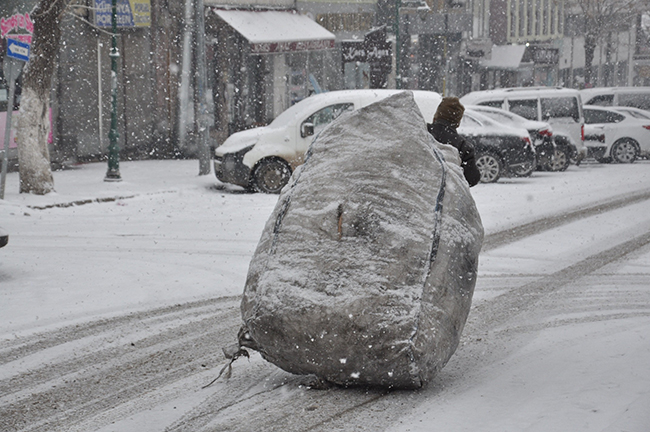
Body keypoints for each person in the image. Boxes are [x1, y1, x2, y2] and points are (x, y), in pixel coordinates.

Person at [427, 97, 481, 187]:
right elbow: (472, 179)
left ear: (436, 115)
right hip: (444, 198)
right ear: (458, 123)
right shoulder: (463, 146)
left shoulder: (422, 131)